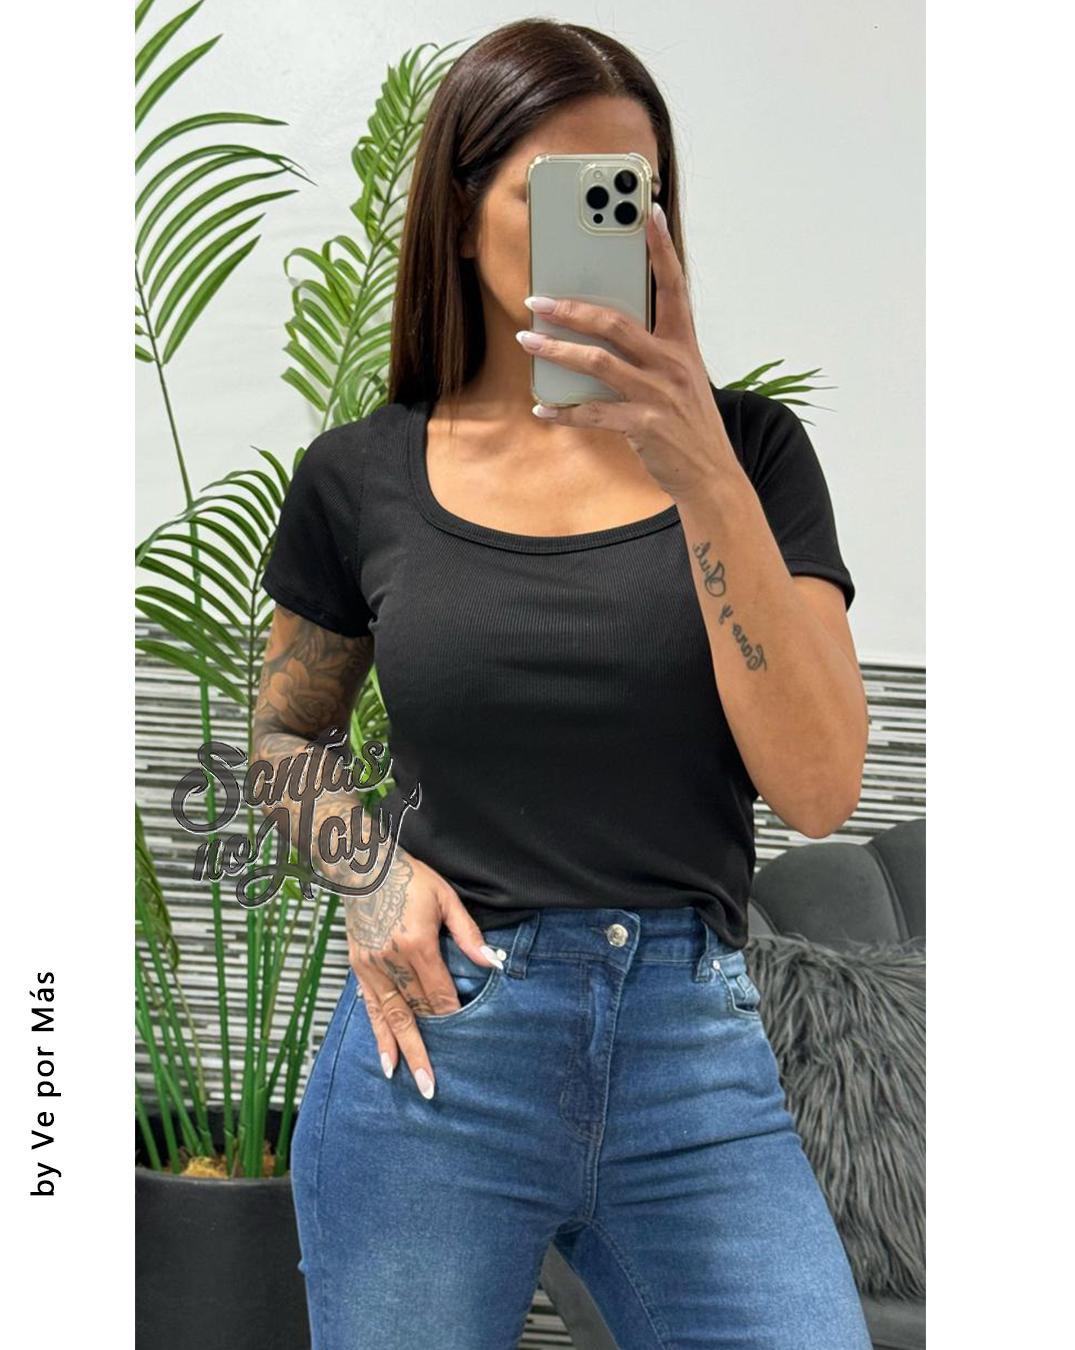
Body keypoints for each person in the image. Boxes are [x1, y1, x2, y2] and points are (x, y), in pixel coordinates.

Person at [254, 17, 874, 1350]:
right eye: (559, 192)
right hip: (439, 1048)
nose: (604, 227)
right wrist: (367, 870)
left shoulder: (754, 454)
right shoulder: (358, 477)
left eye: (629, 193)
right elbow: (283, 736)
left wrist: (698, 465)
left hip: (695, 1062)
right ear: (460, 214)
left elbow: (821, 788)